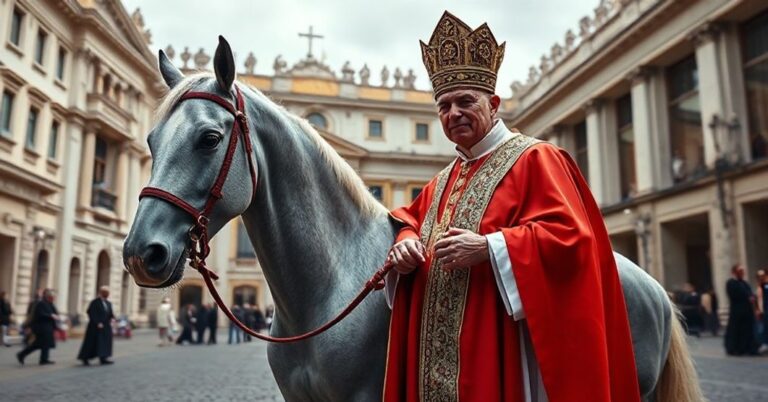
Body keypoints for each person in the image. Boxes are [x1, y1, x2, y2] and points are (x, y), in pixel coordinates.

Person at [383, 12, 640, 402]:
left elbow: (572, 237)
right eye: (444, 105)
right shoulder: (441, 181)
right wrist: (404, 242)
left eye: (466, 101)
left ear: (494, 103)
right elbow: (409, 220)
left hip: (500, 343)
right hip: (434, 356)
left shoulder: (537, 158)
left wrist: (490, 248)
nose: (453, 113)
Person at [17, 289, 59, 365]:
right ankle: (22, 354)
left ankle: (43, 359)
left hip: (48, 327)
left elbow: (56, 313)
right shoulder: (41, 304)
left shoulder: (51, 304)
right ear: (48, 297)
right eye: (53, 297)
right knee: (39, 344)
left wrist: (54, 317)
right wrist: (50, 316)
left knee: (43, 344)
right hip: (42, 328)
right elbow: (40, 314)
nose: (54, 298)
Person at [724, 264, 758, 356]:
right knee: (737, 330)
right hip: (737, 311)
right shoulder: (731, 283)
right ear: (735, 272)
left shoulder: (744, 283)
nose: (742, 273)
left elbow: (749, 292)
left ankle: (748, 348)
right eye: (740, 271)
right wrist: (747, 297)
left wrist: (752, 297)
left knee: (747, 330)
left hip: (747, 311)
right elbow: (735, 295)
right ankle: (736, 348)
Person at [77, 286, 115, 365]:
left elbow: (110, 314)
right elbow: (91, 313)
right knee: (91, 343)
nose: (107, 294)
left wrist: (113, 318)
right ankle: (85, 358)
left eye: (108, 292)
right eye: (105, 292)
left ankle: (103, 357)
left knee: (105, 343)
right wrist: (97, 322)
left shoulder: (108, 303)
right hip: (95, 327)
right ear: (101, 293)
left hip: (106, 326)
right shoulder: (95, 302)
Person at [757, 269, 768, 353]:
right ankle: (765, 343)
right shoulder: (763, 285)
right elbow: (760, 298)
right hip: (766, 309)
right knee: (765, 326)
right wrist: (760, 310)